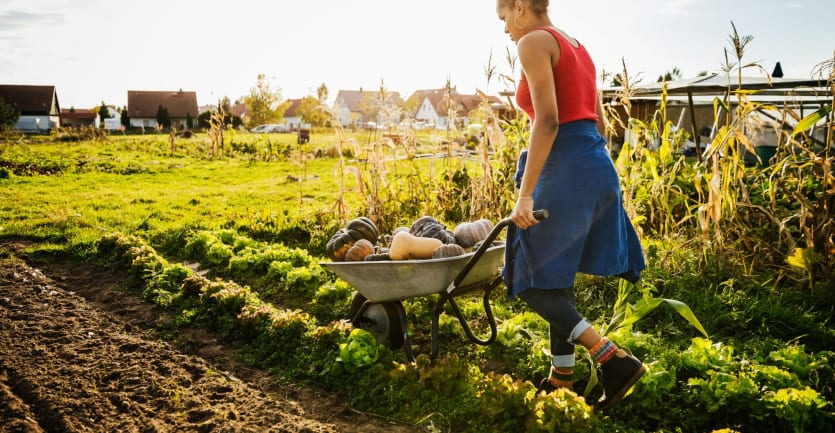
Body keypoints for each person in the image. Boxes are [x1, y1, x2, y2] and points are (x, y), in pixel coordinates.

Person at [495, 0, 647, 410]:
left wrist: (524, 194)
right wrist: (592, 170)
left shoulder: (533, 42)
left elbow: (546, 121)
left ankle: (611, 358)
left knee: (526, 279)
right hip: (595, 167)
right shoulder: (578, 46)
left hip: (563, 173)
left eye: (504, 17)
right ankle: (561, 377)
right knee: (554, 279)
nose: (505, 28)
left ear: (521, 7)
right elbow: (597, 120)